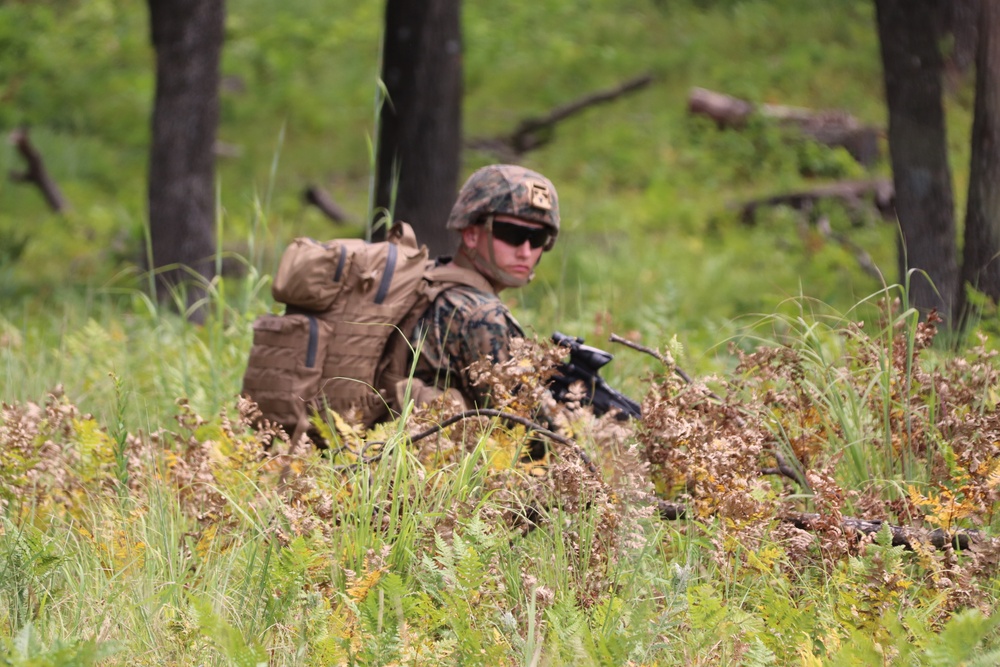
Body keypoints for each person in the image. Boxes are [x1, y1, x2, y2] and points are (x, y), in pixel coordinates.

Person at [400, 164, 560, 410]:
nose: (526, 251)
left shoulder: (428, 279)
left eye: (538, 239)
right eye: (511, 234)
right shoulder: (481, 314)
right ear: (471, 235)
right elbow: (525, 426)